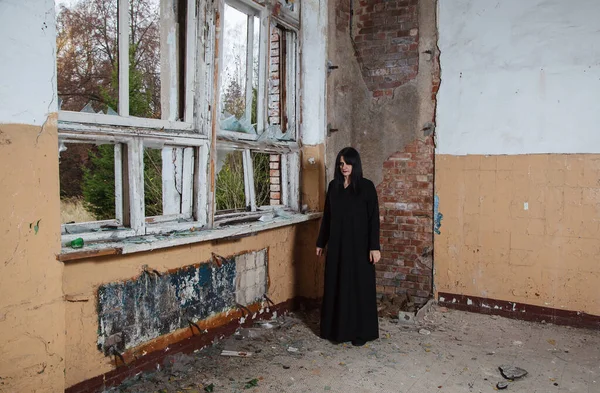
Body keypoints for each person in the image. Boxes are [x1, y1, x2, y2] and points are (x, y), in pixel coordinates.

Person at [316, 147, 381, 346]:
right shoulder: (333, 187)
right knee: (337, 286)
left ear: (355, 164)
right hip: (337, 247)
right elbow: (327, 218)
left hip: (360, 248)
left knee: (359, 288)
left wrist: (374, 247)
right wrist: (321, 242)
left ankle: (360, 333)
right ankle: (337, 332)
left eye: (348, 163)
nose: (344, 167)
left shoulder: (367, 187)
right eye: (341, 164)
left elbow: (373, 220)